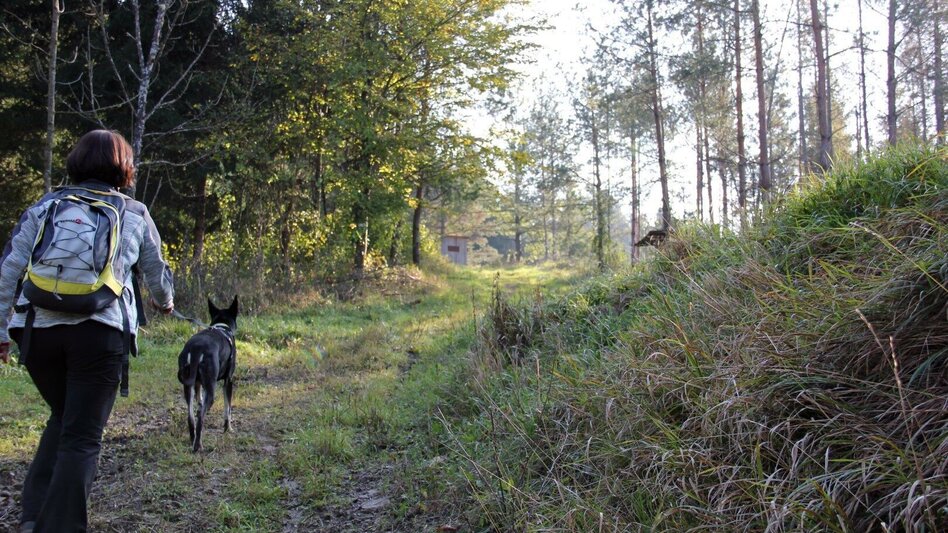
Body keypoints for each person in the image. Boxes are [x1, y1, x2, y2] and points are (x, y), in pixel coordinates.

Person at [0, 130, 174, 532]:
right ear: (124, 169)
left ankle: (32, 517)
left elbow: (9, 267)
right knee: (81, 436)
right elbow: (156, 272)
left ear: (76, 162)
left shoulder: (45, 206)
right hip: (99, 332)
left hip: (36, 331)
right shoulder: (133, 213)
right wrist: (164, 302)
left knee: (64, 417)